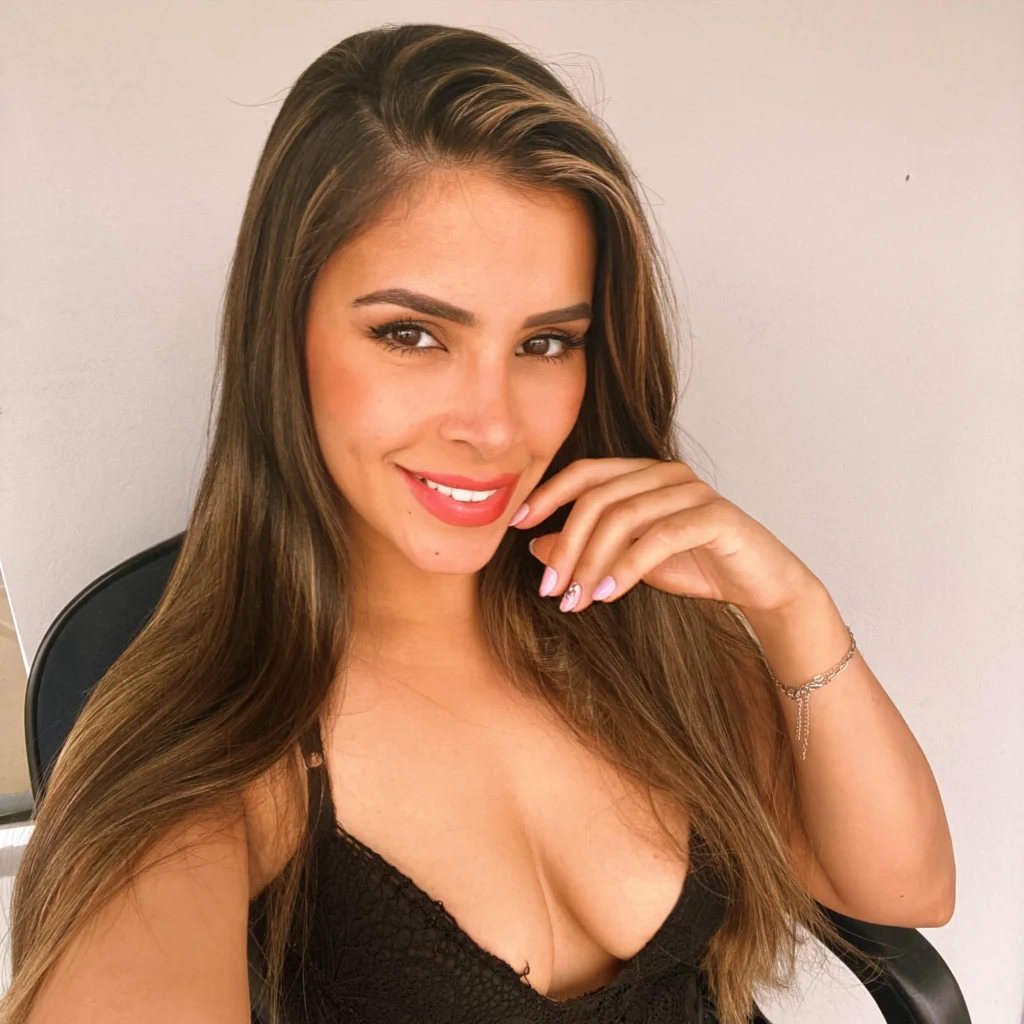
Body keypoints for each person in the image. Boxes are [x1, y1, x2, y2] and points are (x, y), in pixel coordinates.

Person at [3, 23, 954, 1024]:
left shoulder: (639, 629)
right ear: (283, 333)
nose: (493, 427)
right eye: (412, 334)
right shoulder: (222, 748)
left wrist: (792, 607)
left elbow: (907, 890)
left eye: (544, 343)